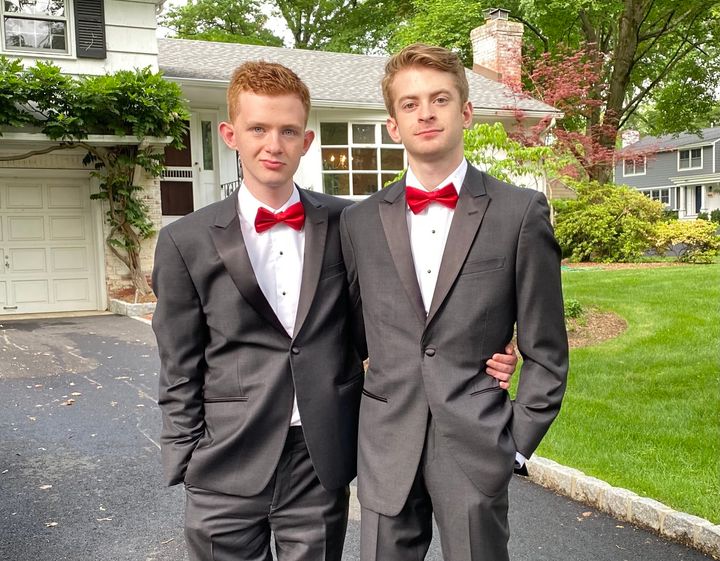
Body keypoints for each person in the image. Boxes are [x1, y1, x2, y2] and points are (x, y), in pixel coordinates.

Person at [152, 61, 519, 561]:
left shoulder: (352, 221)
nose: (272, 144)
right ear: (230, 134)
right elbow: (178, 363)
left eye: (287, 131)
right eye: (258, 128)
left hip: (319, 458)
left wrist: (484, 350)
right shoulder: (183, 240)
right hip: (225, 462)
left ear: (306, 141)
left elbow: (390, 321)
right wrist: (187, 457)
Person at [340, 44, 569, 561]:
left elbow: (547, 347)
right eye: (409, 103)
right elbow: (353, 335)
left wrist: (515, 440)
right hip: (386, 442)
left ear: (465, 112)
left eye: (440, 99)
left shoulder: (519, 212)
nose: (426, 112)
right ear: (393, 125)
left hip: (475, 441)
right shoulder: (358, 223)